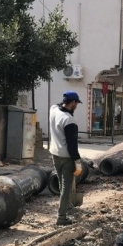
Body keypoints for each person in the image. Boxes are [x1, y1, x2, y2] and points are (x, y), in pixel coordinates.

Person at [49, 90, 83, 226]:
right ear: (73, 102)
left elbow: (58, 105)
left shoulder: (54, 109)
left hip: (54, 154)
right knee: (66, 187)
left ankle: (67, 205)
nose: (77, 106)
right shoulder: (69, 120)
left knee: (61, 183)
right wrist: (77, 161)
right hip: (66, 157)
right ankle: (61, 217)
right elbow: (72, 145)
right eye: (76, 104)